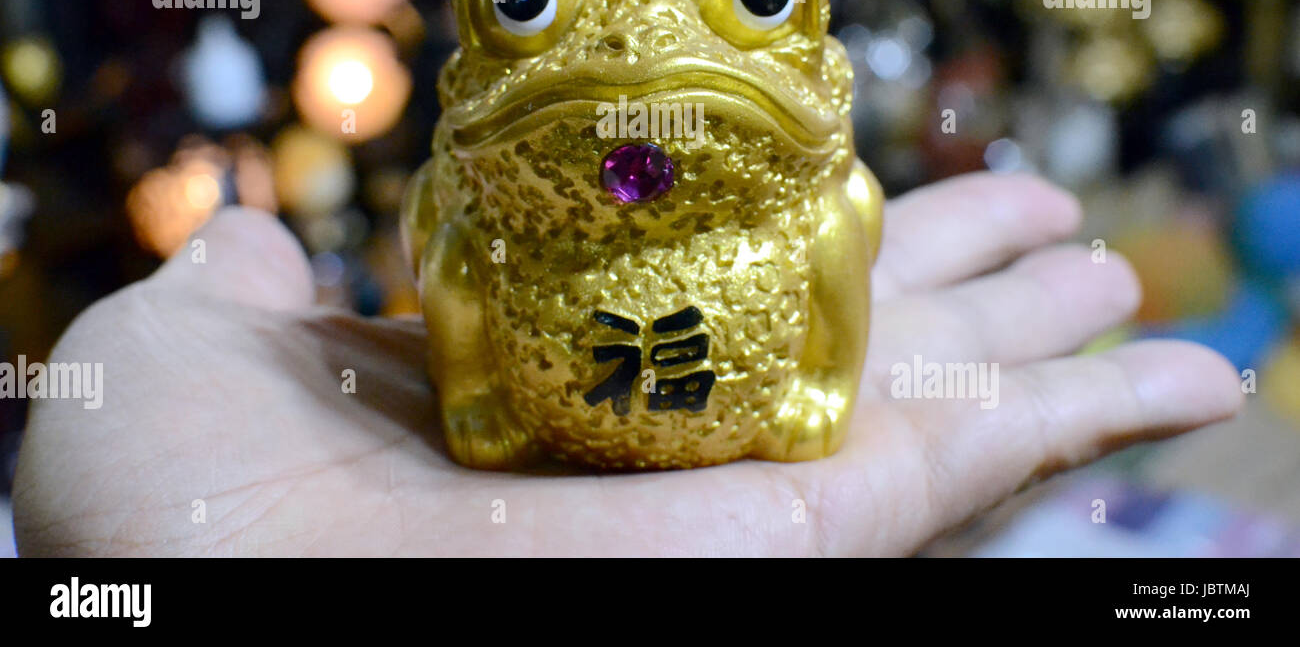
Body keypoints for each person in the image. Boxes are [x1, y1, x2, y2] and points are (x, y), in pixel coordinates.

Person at [12, 172, 1241, 556]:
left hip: (759, 374)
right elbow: (443, 253)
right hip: (536, 378)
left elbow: (838, 249)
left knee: (843, 212)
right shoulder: (470, 198)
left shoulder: (809, 191)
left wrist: (819, 379)